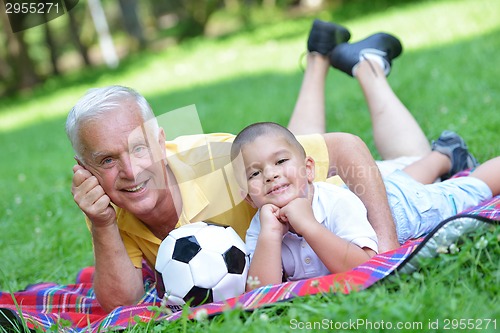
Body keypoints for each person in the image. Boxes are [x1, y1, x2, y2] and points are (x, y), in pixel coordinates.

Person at [66, 20, 431, 311]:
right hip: (288, 193)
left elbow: (346, 147)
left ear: (161, 142)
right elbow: (123, 305)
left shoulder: (218, 163)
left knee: (412, 165)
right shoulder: (104, 200)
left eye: (139, 148)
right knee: (288, 150)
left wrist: (385, 249)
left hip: (335, 206)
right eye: (108, 160)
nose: (129, 171)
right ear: (86, 169)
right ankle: (319, 55)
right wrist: (102, 225)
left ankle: (367, 65)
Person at [230, 122, 498, 289]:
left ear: (309, 169)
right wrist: (271, 234)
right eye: (254, 173)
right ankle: (444, 154)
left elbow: (365, 266)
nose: (270, 175)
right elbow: (259, 292)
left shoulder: (336, 204)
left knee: (466, 190)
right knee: (400, 181)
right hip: (378, 192)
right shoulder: (261, 227)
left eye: (280, 162)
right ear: (248, 198)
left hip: (401, 211)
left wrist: (308, 225)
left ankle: (450, 161)